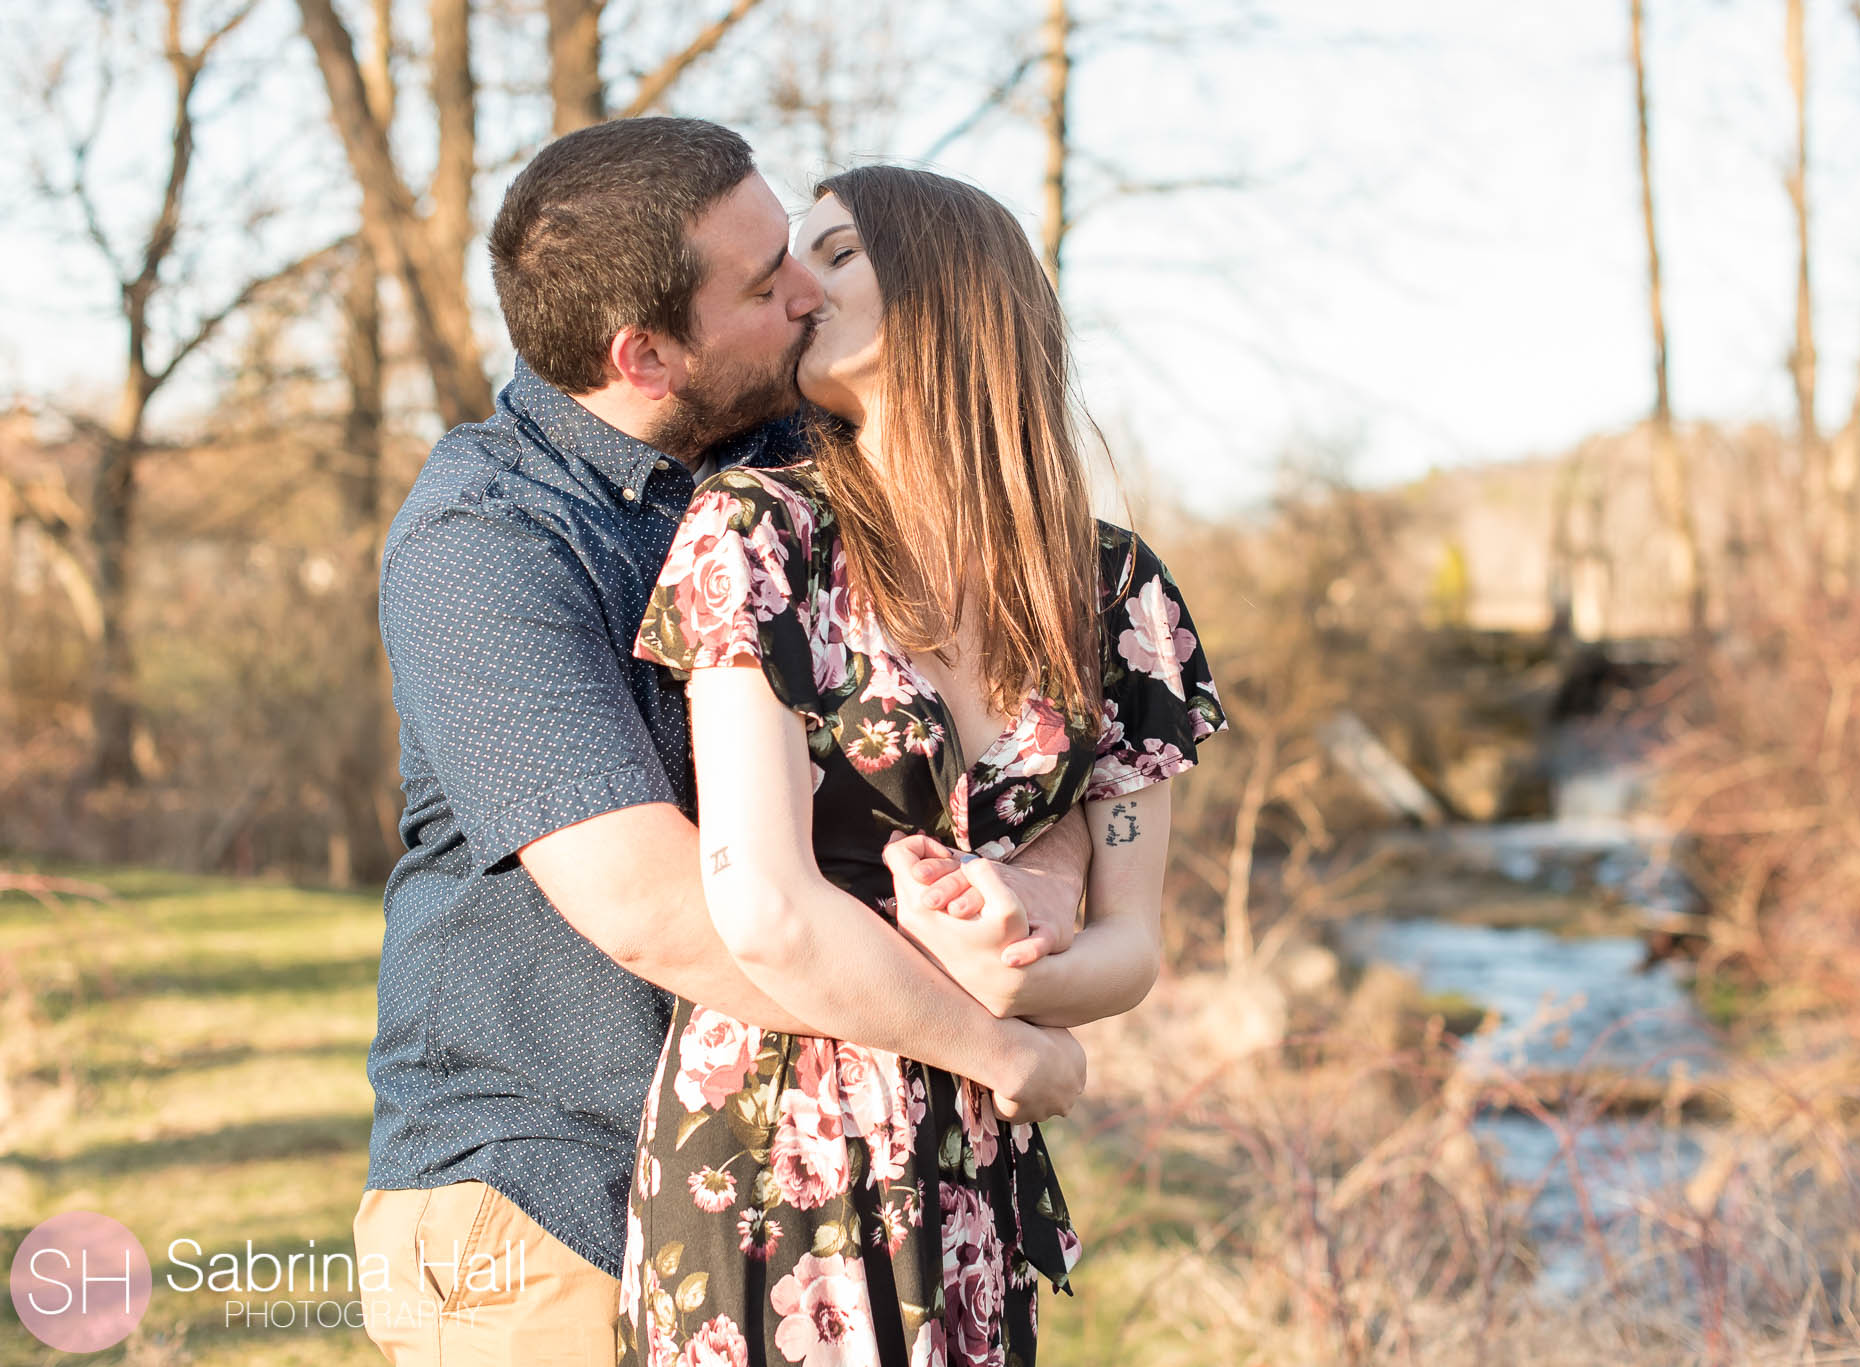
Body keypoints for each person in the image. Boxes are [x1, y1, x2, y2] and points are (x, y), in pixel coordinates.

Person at [354, 119, 1094, 1367]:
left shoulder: (794, 469)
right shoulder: (485, 546)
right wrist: (987, 1044)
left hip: (806, 1179)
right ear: (643, 354)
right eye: (765, 285)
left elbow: (1029, 730)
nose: (807, 293)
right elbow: (654, 906)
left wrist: (1038, 886)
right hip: (544, 1199)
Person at [618, 166, 1227, 1367]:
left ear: (950, 295)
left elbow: (1131, 944)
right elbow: (766, 907)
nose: (795, 288)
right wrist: (1012, 1047)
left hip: (975, 1180)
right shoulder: (757, 531)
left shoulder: (1112, 593)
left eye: (835, 254)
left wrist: (1014, 977)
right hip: (773, 1151)